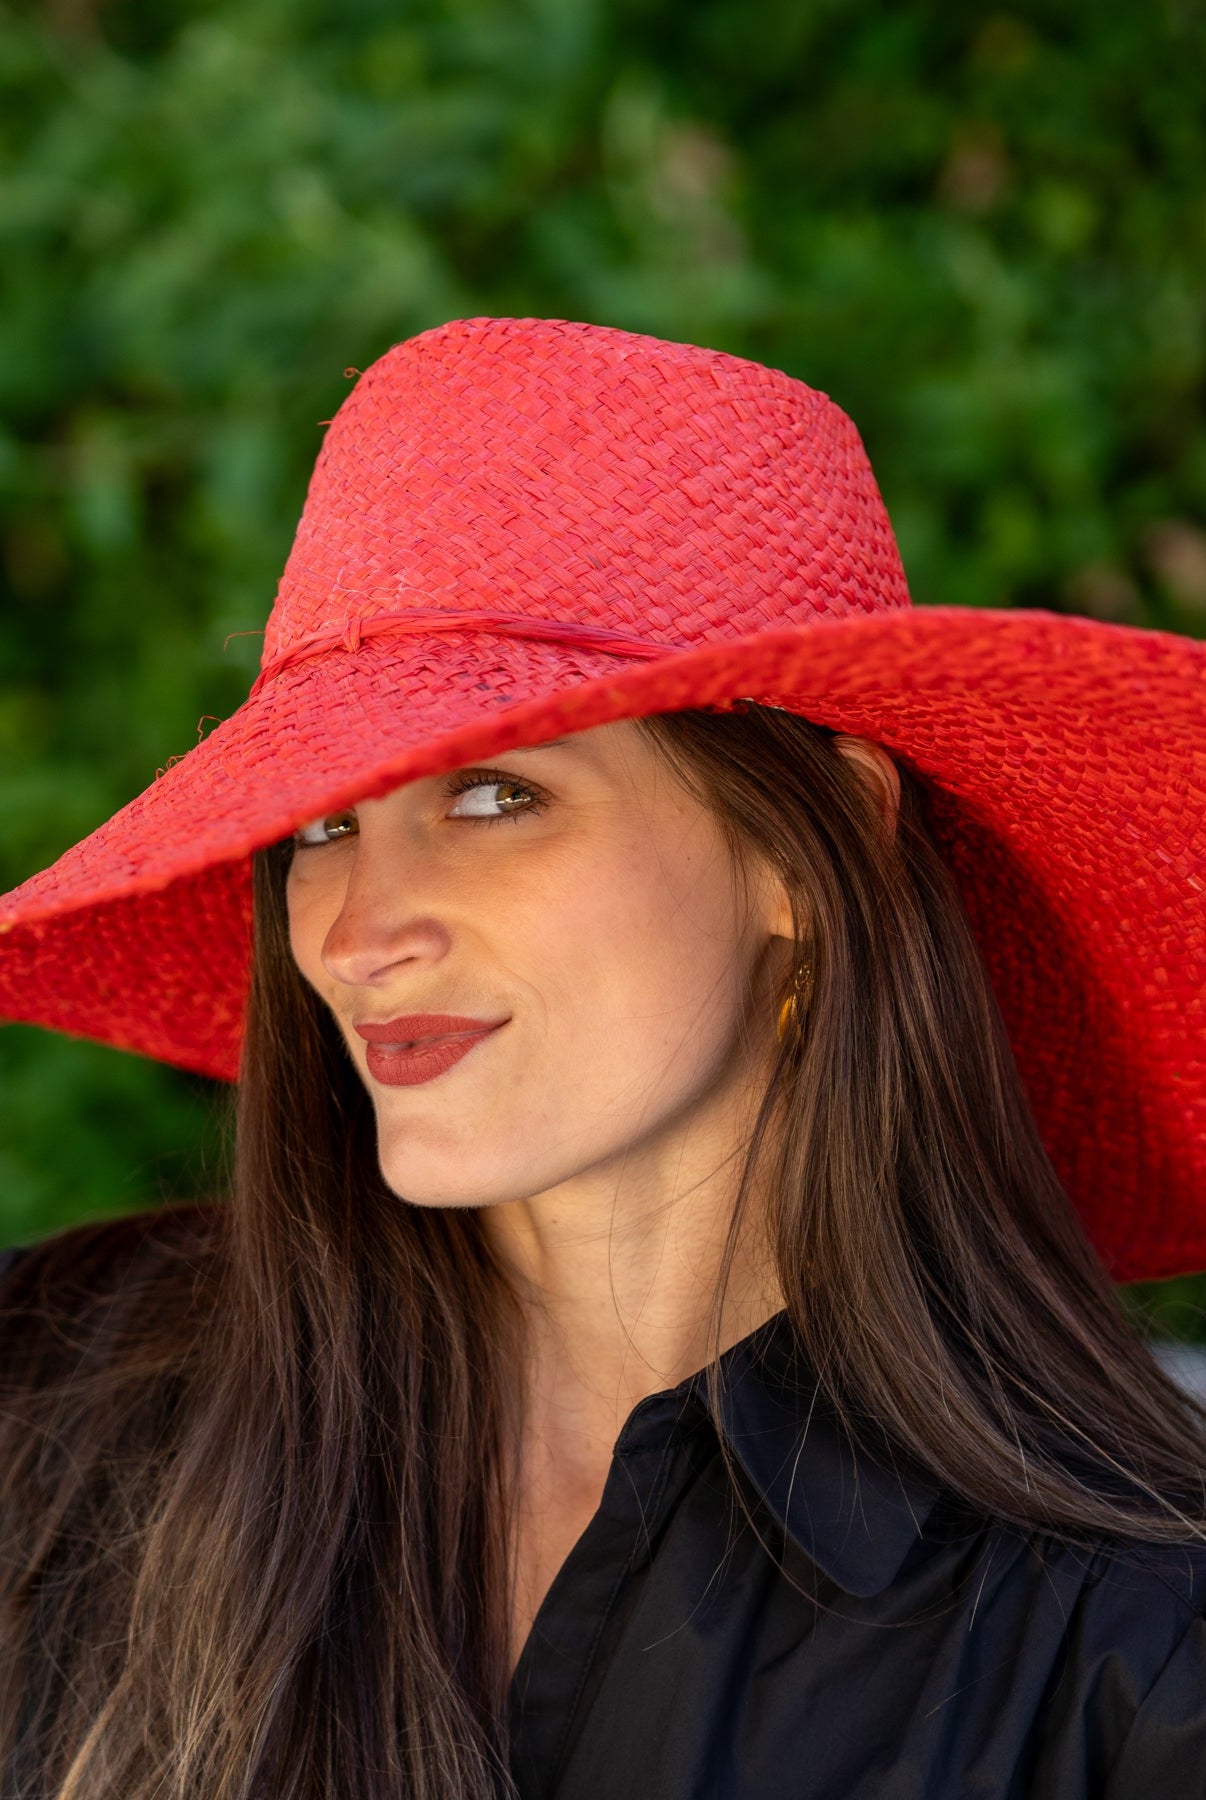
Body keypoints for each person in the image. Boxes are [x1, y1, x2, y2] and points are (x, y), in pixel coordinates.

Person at [0, 316, 1204, 1800]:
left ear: (809, 850)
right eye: (321, 825)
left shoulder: (1127, 1659)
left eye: (494, 797)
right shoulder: (54, 1403)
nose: (360, 933)